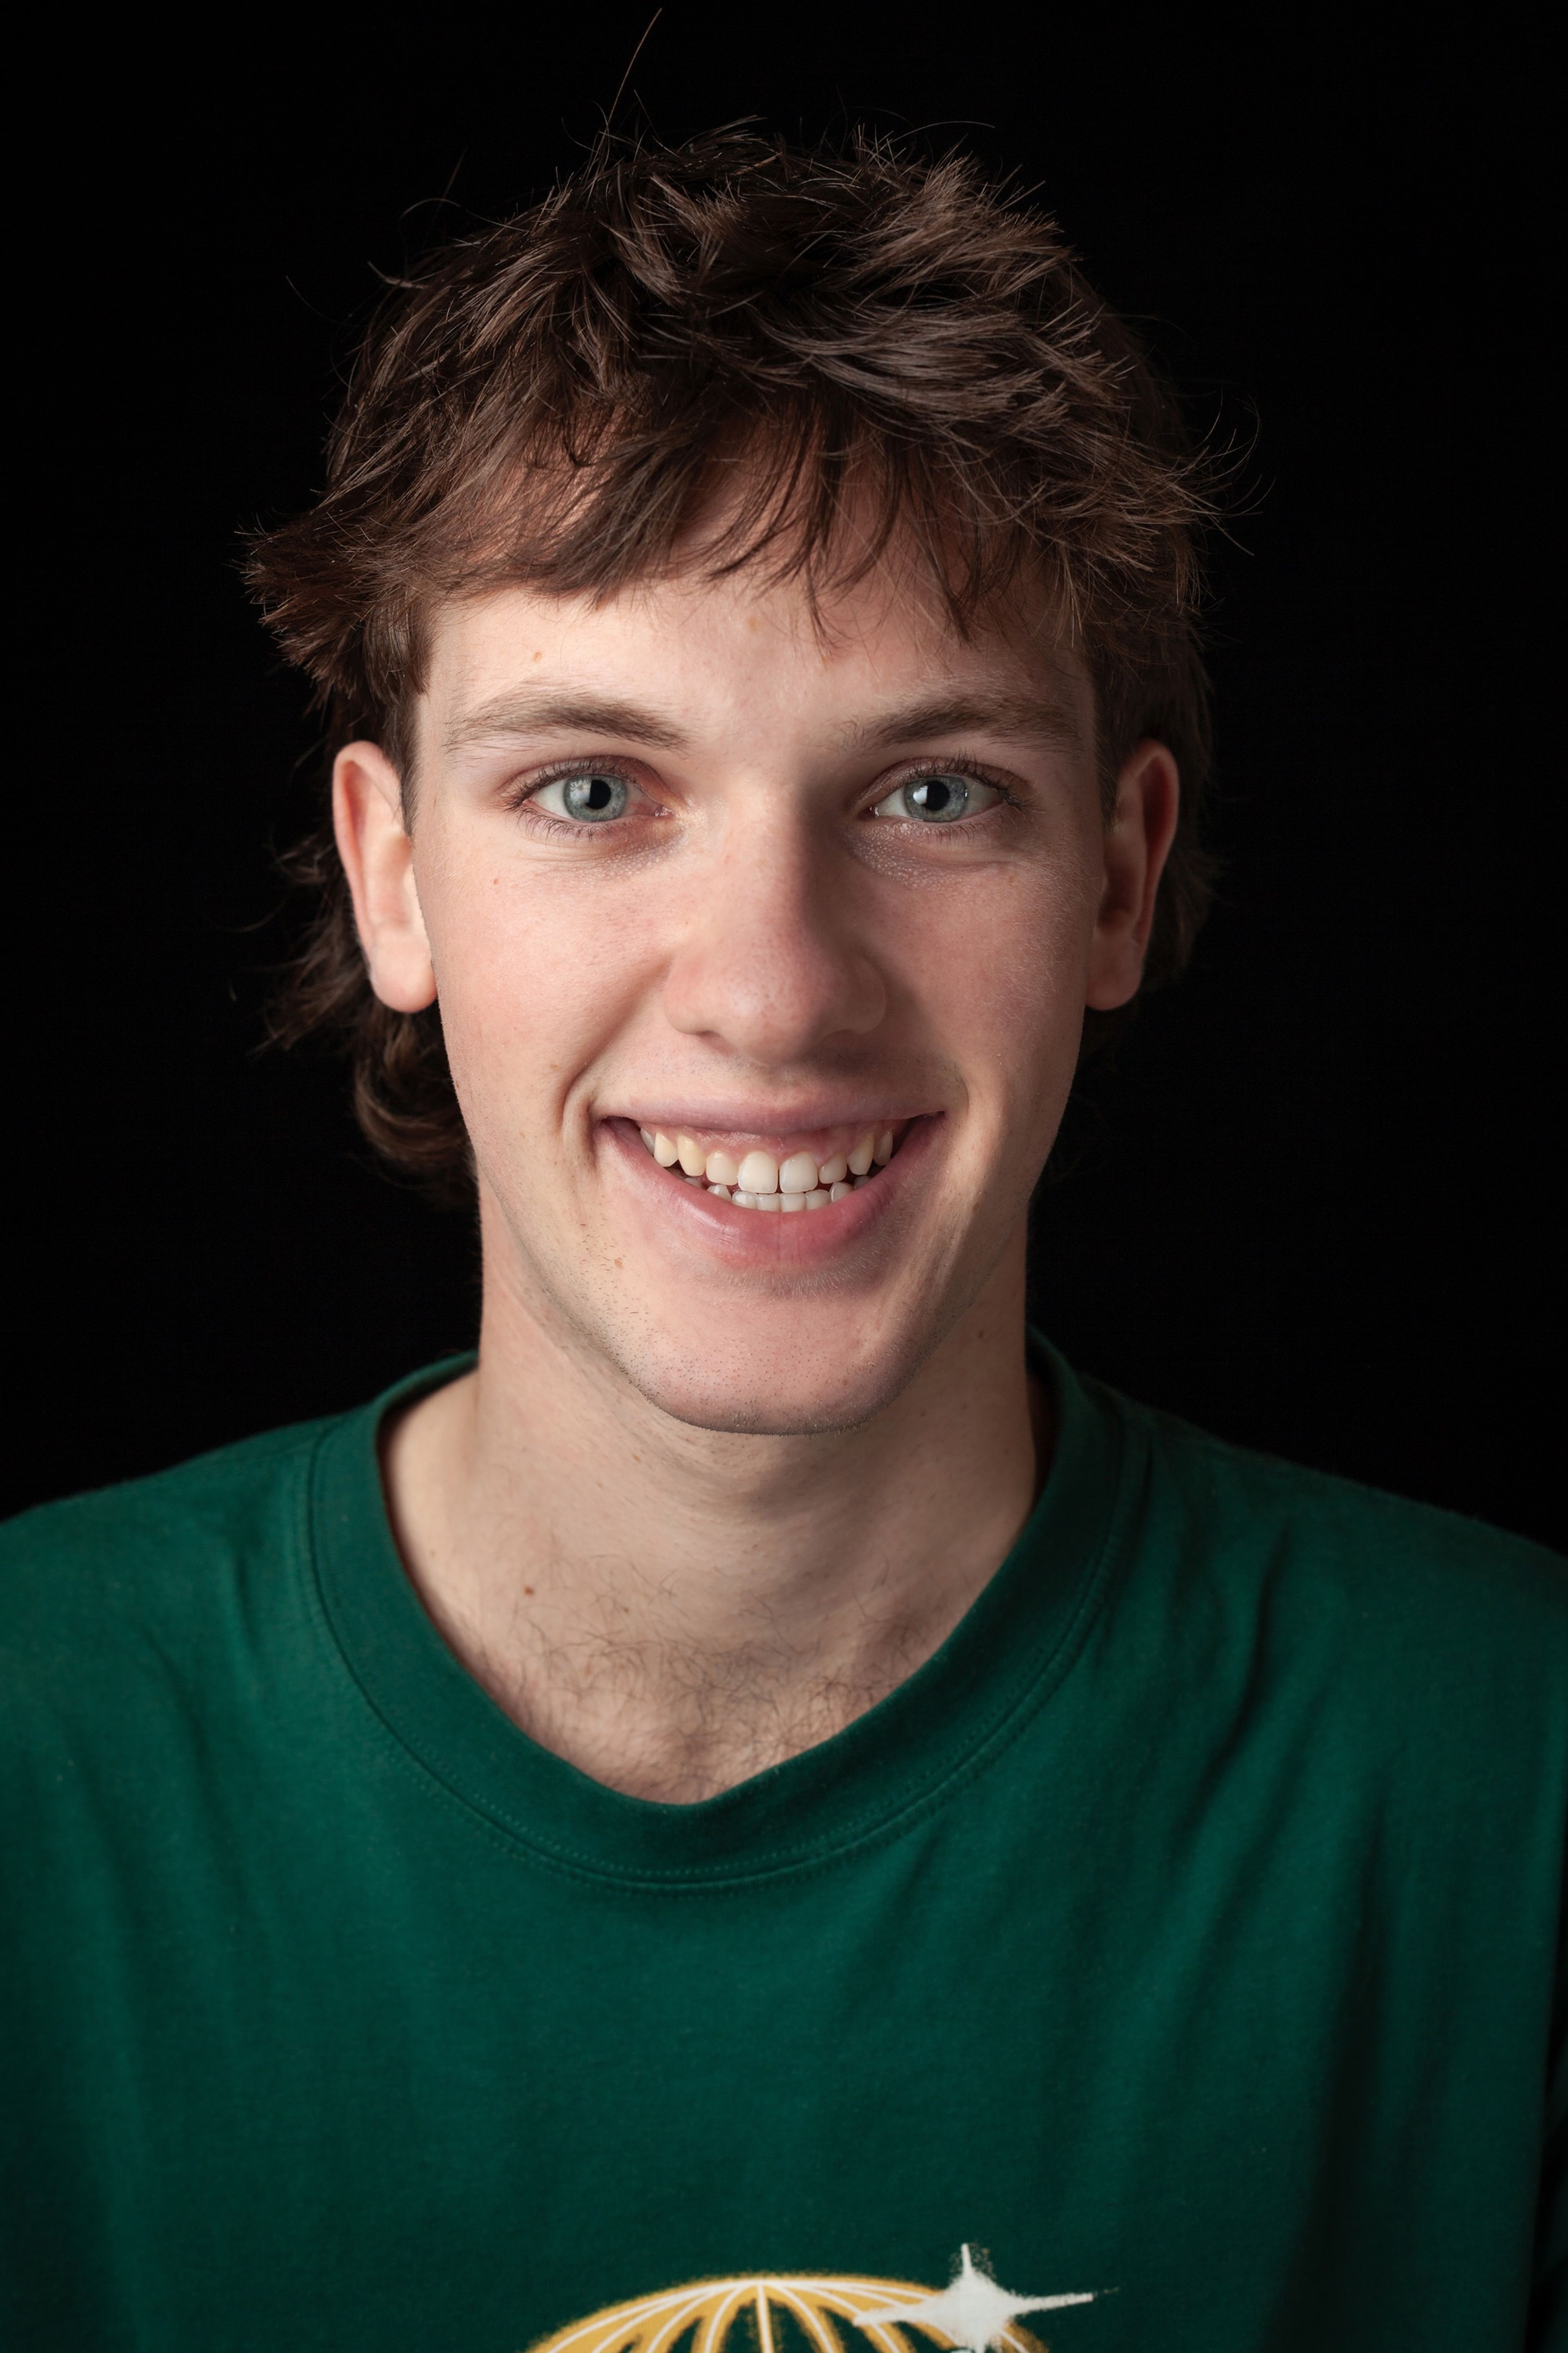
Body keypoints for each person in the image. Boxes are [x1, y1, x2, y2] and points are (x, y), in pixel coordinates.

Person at [1, 129, 1561, 2353]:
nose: (775, 988)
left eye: (931, 792)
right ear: (393, 874)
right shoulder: (35, 1756)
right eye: (595, 790)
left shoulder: (1518, 1792)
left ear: (1119, 876)